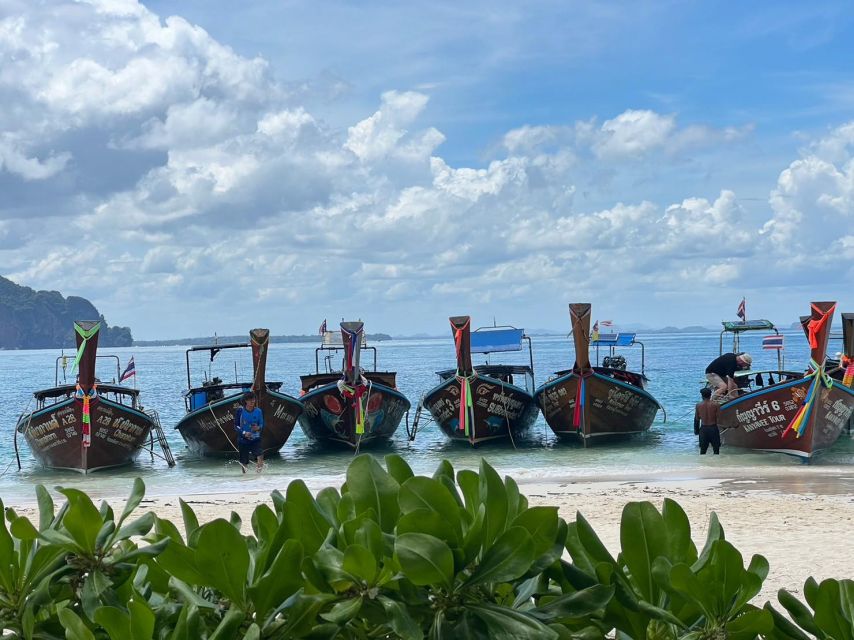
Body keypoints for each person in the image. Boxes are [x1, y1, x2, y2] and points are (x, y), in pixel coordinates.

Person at [234, 392, 265, 472]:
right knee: (244, 461)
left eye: (253, 399)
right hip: (243, 439)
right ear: (245, 401)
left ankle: (258, 475)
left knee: (260, 455)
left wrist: (258, 428)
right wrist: (244, 433)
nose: (252, 401)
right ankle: (245, 478)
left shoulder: (258, 411)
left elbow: (261, 424)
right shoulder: (240, 411)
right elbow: (236, 426)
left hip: (255, 438)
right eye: (250, 400)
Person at [694, 387, 721, 454]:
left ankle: (703, 464)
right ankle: (717, 464)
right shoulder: (716, 405)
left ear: (702, 396)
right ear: (710, 395)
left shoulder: (698, 405)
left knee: (703, 451)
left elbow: (697, 419)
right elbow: (719, 418)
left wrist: (696, 431)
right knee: (716, 451)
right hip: (713, 428)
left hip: (703, 430)